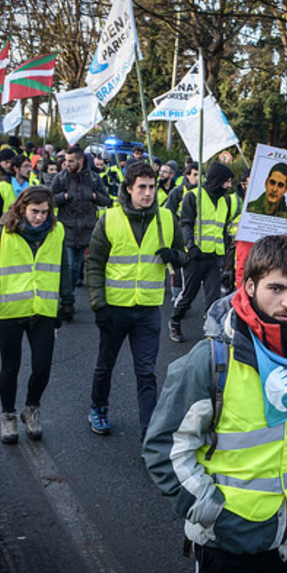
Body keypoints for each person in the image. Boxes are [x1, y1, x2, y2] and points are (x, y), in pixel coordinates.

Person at [143, 235, 287, 573]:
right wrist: (212, 511)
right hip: (227, 542)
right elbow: (165, 449)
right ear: (250, 286)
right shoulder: (212, 359)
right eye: (276, 288)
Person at [86, 161, 186, 439]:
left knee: (146, 373)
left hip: (148, 310)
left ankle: (148, 433)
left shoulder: (167, 219)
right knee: (105, 365)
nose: (148, 193)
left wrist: (175, 257)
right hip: (114, 309)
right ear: (128, 189)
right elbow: (94, 262)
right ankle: (98, 407)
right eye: (141, 187)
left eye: (152, 187)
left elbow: (184, 253)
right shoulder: (110, 218)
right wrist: (98, 304)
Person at [0, 186, 72, 444]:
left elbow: (63, 266)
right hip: (8, 311)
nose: (40, 217)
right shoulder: (3, 232)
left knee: (42, 366)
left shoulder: (57, 231)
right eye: (34, 211)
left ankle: (31, 409)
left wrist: (67, 301)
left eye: (44, 212)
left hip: (42, 309)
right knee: (11, 366)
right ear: (22, 208)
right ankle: (8, 415)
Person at [169, 162, 236, 343]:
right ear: (218, 180)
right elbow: (185, 223)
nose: (229, 186)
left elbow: (223, 228)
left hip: (215, 257)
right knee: (188, 295)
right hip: (195, 256)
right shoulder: (193, 196)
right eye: (227, 182)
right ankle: (175, 320)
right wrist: (191, 246)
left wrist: (227, 248)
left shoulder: (226, 200)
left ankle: (211, 333)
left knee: (213, 298)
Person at [51, 145, 112, 302]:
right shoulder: (61, 178)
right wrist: (63, 197)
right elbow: (49, 200)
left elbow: (106, 200)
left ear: (80, 160)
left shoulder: (93, 178)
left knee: (77, 266)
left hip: (86, 229)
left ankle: (67, 296)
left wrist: (93, 196)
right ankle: (66, 298)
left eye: (71, 161)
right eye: (66, 161)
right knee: (69, 266)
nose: (67, 164)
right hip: (67, 228)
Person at [0, 154, 33, 249]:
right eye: (26, 166)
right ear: (16, 168)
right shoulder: (2, 187)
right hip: (6, 233)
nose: (29, 169)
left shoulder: (33, 187)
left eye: (30, 166)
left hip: (27, 234)